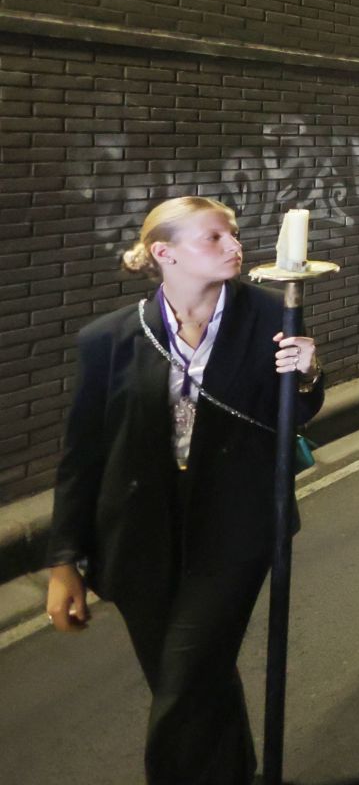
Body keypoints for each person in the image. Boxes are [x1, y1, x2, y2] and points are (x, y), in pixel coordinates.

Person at [45, 197, 322, 785]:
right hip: (138, 536)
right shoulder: (110, 339)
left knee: (185, 680)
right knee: (196, 681)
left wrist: (308, 374)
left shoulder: (273, 314)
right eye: (214, 238)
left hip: (233, 531)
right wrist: (64, 559)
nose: (234, 246)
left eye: (234, 235)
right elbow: (82, 456)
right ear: (164, 254)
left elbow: (292, 416)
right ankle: (233, 772)